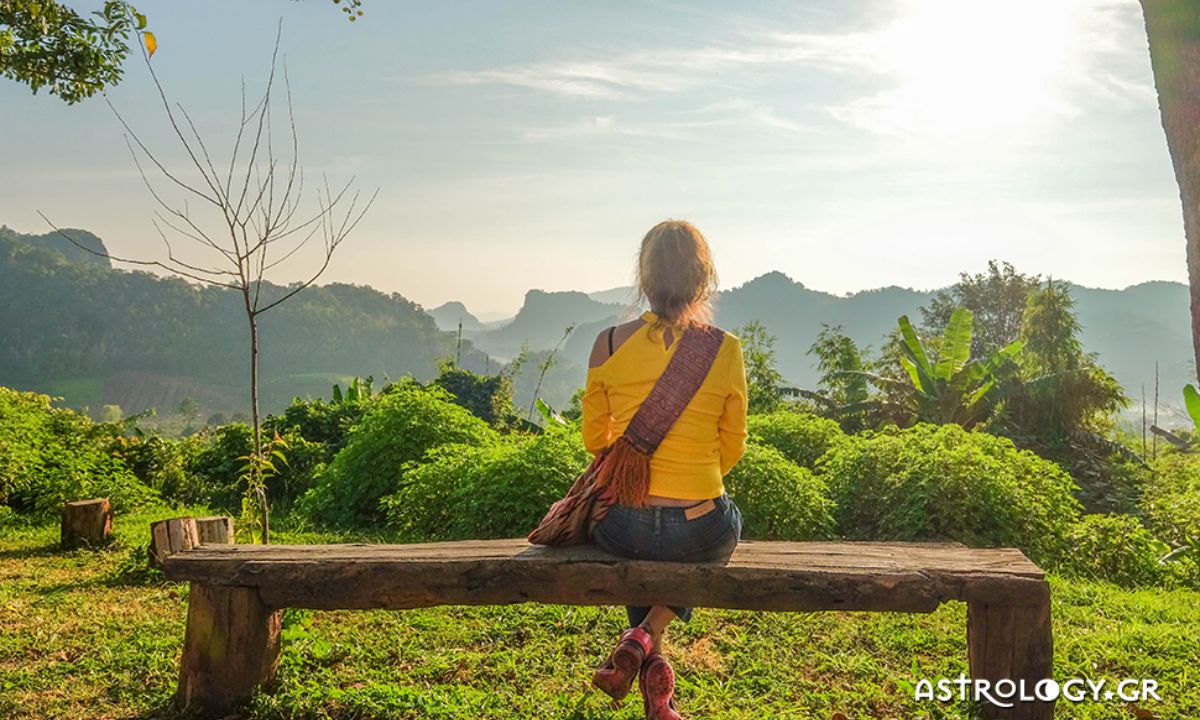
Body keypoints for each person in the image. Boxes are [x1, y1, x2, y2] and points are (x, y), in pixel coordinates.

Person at [581, 219, 748, 720]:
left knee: (644, 548)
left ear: (644, 280)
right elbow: (732, 444)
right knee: (728, 525)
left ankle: (648, 664)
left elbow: (595, 441)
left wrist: (639, 471)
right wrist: (691, 476)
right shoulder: (725, 349)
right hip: (699, 527)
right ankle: (646, 639)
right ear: (702, 281)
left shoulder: (607, 344)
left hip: (623, 526)